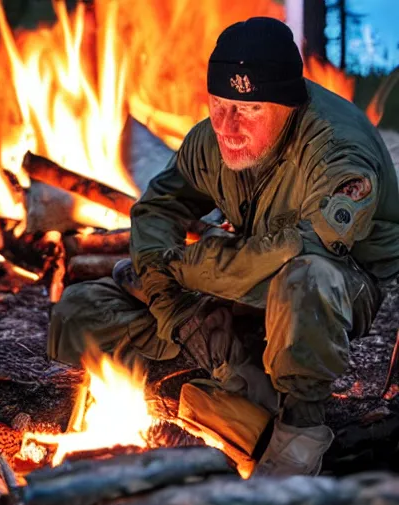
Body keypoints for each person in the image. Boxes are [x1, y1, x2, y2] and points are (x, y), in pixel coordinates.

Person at [47, 17, 399, 476]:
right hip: (241, 275)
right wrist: (174, 308)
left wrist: (191, 269)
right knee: (80, 309)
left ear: (288, 105)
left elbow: (302, 250)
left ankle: (299, 431)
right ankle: (227, 384)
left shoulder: (338, 153)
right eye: (219, 103)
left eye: (249, 109)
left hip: (337, 284)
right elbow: (158, 208)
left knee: (305, 277)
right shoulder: (210, 141)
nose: (228, 126)